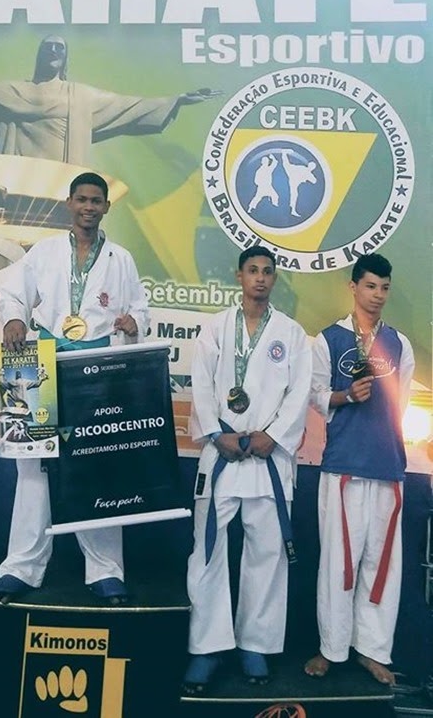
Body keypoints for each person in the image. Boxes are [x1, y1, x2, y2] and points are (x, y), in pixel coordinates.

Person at [0, 171, 150, 606]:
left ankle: (105, 570)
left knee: (98, 467)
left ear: (106, 207)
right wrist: (14, 320)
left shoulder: (121, 259)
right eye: (81, 199)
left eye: (96, 201)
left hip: (96, 366)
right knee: (33, 469)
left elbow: (140, 309)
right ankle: (20, 567)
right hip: (37, 362)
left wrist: (133, 322)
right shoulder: (43, 251)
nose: (88, 207)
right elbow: (11, 295)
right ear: (69, 203)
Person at [183, 246, 312, 693]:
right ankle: (206, 647)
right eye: (252, 270)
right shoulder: (216, 327)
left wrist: (272, 436)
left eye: (267, 272)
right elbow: (201, 383)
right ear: (239, 276)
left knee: (268, 553)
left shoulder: (292, 334)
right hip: (222, 452)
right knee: (207, 551)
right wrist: (216, 434)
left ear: (275, 279)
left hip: (268, 457)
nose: (259, 277)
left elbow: (299, 393)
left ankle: (255, 644)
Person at [304, 253, 415, 686]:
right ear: (353, 287)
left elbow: (400, 407)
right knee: (338, 563)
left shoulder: (399, 344)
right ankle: (331, 649)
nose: (378, 295)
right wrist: (347, 396)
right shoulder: (329, 340)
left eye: (384, 287)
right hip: (343, 465)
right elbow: (315, 396)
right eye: (370, 286)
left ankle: (372, 650)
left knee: (380, 564)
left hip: (386, 464)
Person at [0, 35, 220, 163]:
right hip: (15, 184)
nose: (54, 51)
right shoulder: (7, 92)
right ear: (40, 55)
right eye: (49, 47)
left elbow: (128, 106)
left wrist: (177, 99)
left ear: (65, 58)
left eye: (60, 48)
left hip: (61, 185)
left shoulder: (81, 97)